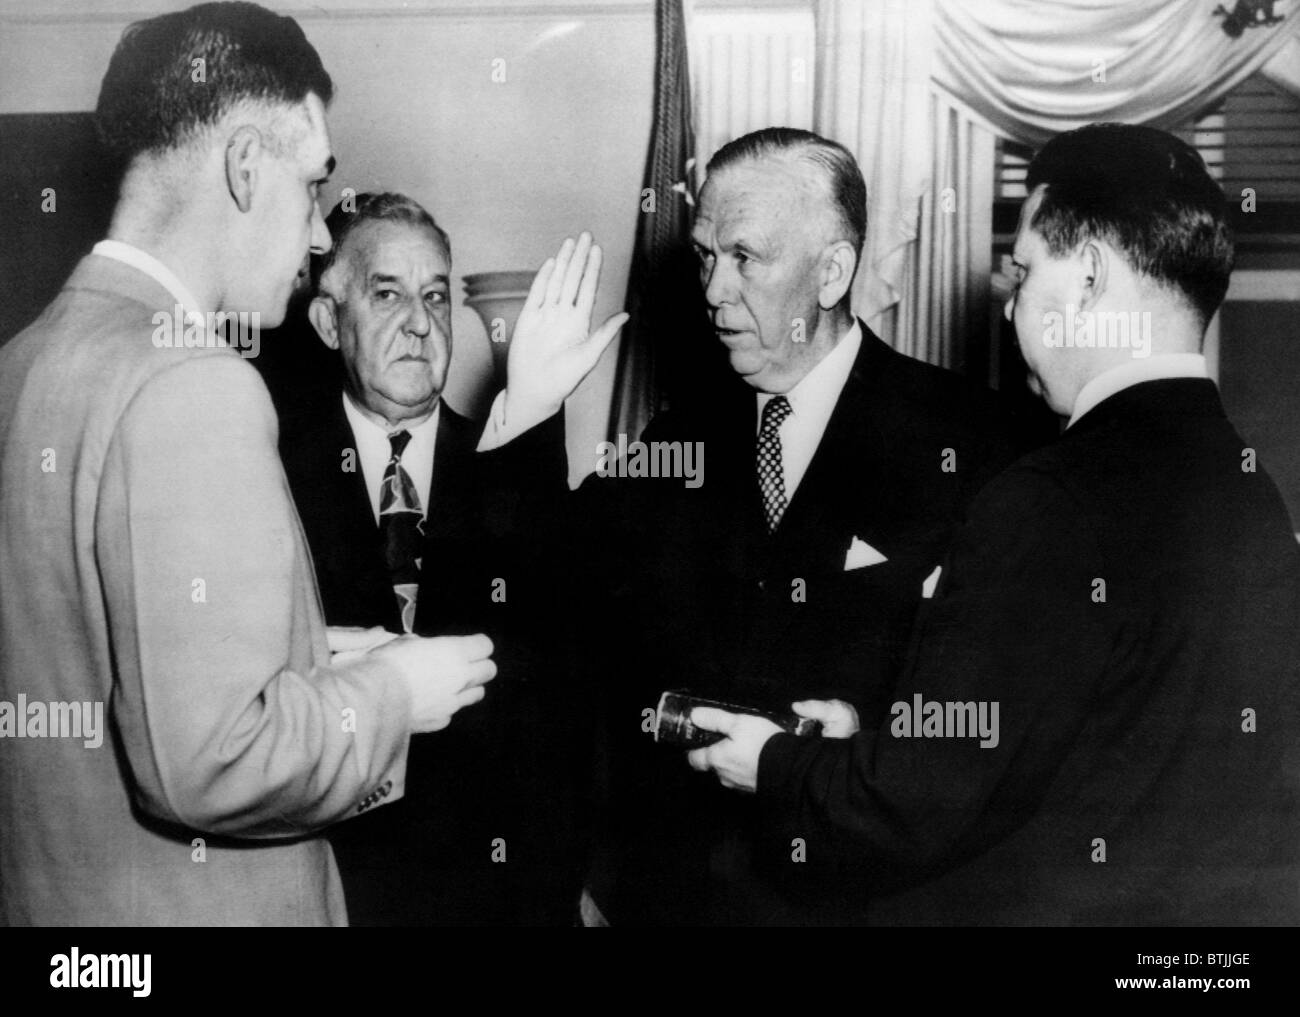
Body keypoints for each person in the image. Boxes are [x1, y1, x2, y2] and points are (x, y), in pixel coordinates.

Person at [690, 123, 1300, 925]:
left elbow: (916, 804)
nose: (1010, 305)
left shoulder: (1049, 495)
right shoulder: (1252, 491)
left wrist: (775, 762)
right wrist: (869, 735)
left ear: (1087, 279)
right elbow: (1078, 742)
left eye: (1024, 272)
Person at [0, 2, 497, 926]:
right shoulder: (196, 383)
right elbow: (212, 763)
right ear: (242, 166)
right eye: (311, 187)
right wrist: (393, 693)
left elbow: (102, 661)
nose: (317, 240)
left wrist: (315, 658)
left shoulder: (22, 362)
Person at [572, 127, 1022, 925]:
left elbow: (1001, 720)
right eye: (707, 256)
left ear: (833, 271)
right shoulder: (675, 442)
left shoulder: (971, 443)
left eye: (744, 257)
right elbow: (578, 642)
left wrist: (867, 734)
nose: (712, 289)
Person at [273, 194, 622, 924]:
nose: (419, 322)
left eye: (435, 296)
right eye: (387, 293)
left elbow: (563, 685)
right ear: (329, 321)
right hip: (334, 895)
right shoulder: (269, 474)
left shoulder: (510, 454)